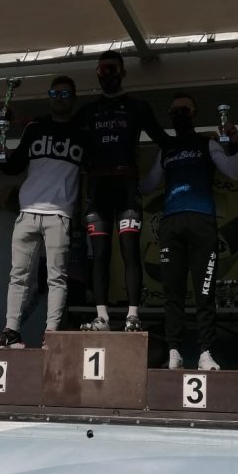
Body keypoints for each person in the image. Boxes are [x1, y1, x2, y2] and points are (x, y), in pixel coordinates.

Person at [140, 93, 238, 371]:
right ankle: (174, 351)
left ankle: (205, 353)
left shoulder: (207, 143)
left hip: (202, 223)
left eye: (184, 110)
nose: (179, 114)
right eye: (174, 111)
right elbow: (148, 185)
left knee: (204, 291)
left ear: (194, 112)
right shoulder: (166, 150)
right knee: (172, 292)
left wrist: (233, 146)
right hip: (171, 225)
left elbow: (236, 173)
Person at [71, 50, 171, 332]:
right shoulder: (88, 111)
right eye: (103, 70)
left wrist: (202, 142)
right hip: (98, 190)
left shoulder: (138, 107)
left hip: (127, 188)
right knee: (100, 254)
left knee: (130, 250)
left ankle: (133, 315)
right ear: (97, 73)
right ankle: (101, 317)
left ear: (123, 72)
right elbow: (64, 135)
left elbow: (164, 140)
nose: (108, 74)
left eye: (113, 69)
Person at [0, 76, 87, 347]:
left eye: (65, 94)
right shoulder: (35, 129)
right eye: (54, 94)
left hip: (59, 213)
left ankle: (52, 333)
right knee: (18, 276)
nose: (59, 99)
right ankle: (11, 330)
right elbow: (13, 166)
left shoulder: (82, 131)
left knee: (57, 277)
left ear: (73, 98)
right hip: (28, 211)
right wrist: (1, 154)